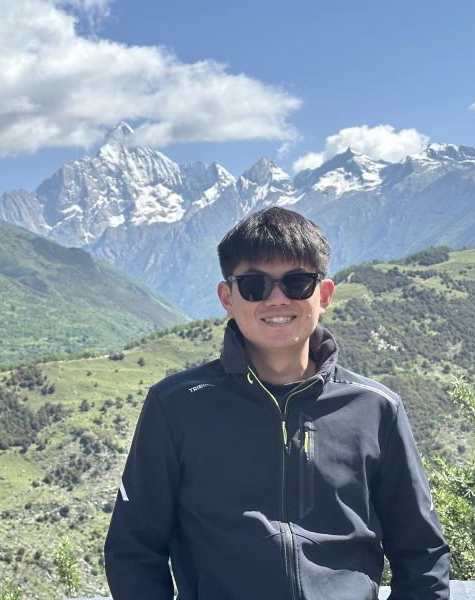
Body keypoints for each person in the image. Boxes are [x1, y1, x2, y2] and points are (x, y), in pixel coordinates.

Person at [104, 207, 450, 600]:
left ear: (323, 295)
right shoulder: (176, 405)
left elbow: (422, 553)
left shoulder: (376, 409)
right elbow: (133, 550)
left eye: (297, 282)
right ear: (227, 297)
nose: (277, 299)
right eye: (255, 285)